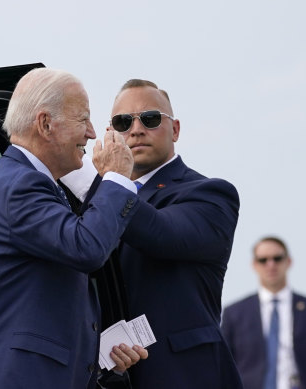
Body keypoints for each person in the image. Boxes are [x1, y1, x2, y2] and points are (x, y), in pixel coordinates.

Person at [0, 68, 148, 389]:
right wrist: (116, 179)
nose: (90, 133)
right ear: (45, 124)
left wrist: (98, 357)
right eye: (82, 119)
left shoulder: (35, 184)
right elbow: (86, 248)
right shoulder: (19, 185)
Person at [62, 79, 242, 388]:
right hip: (108, 373)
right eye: (122, 122)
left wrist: (108, 182)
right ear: (110, 133)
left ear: (175, 130)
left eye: (150, 118)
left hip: (184, 375)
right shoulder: (95, 200)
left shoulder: (211, 193)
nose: (136, 129)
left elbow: (162, 233)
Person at [221, 236, 306, 389]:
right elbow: (223, 364)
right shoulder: (234, 313)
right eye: (263, 260)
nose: (271, 265)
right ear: (254, 265)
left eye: (277, 258)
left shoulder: (305, 307)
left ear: (288, 262)